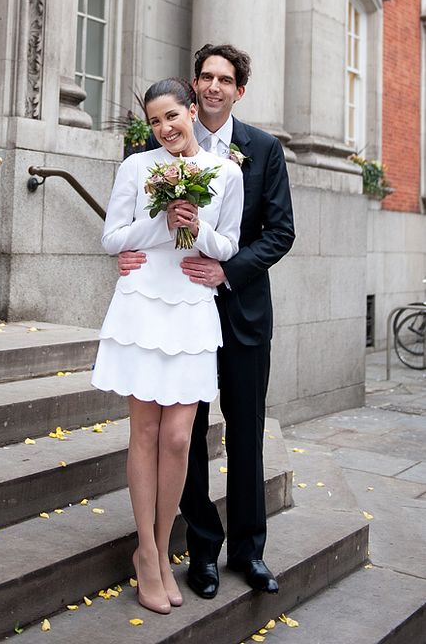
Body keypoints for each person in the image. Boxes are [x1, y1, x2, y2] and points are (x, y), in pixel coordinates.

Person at [118, 44, 295, 599]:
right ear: (194, 90)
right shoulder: (155, 144)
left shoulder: (262, 150)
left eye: (225, 79)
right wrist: (129, 251)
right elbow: (131, 221)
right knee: (181, 438)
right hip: (174, 312)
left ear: (239, 90)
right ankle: (201, 551)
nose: (214, 86)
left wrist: (225, 273)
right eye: (205, 77)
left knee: (245, 433)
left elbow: (279, 232)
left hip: (237, 310)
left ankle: (249, 551)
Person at [92, 77, 243, 615]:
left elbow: (228, 244)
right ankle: (149, 555)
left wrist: (196, 226)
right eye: (155, 121)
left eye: (172, 116)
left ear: (192, 111)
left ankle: (158, 543)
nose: (165, 129)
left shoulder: (226, 172)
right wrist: (160, 218)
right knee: (146, 430)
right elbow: (112, 238)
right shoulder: (136, 167)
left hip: (192, 305)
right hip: (143, 302)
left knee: (179, 437)